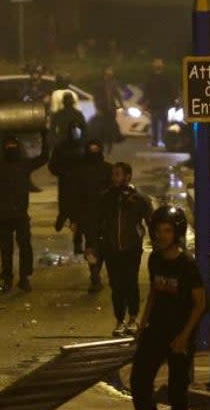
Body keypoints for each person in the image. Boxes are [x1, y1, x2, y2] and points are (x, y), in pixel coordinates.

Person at [128, 205, 206, 410]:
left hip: (180, 332)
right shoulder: (155, 259)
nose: (161, 236)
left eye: (167, 231)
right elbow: (153, 292)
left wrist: (184, 336)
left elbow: (200, 303)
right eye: (157, 230)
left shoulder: (187, 265)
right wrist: (142, 323)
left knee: (177, 387)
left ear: (177, 233)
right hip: (157, 329)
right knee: (139, 380)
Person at [0, 127, 49, 292]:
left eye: (12, 145)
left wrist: (44, 138)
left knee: (23, 247)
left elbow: (44, 157)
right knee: (7, 249)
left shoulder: (21, 164)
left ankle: (23, 278)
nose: (11, 148)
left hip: (20, 214)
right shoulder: (0, 164)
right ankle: (8, 278)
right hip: (4, 215)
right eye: (8, 145)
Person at [93, 162, 152, 335]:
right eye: (113, 174)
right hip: (111, 249)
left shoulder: (139, 199)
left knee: (130, 282)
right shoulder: (106, 198)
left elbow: (150, 221)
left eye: (118, 174)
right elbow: (97, 224)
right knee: (116, 285)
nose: (114, 178)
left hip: (131, 248)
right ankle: (120, 320)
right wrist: (94, 246)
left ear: (128, 176)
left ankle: (133, 318)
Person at [73, 138, 114, 292]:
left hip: (105, 216)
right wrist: (75, 218)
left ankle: (99, 275)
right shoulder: (81, 171)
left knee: (105, 247)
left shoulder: (108, 169)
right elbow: (76, 195)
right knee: (92, 247)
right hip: (89, 217)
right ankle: (95, 276)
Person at [48, 126, 86, 250]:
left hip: (78, 183)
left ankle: (77, 241)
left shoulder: (82, 146)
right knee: (67, 206)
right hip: (67, 182)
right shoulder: (61, 147)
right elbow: (53, 165)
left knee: (78, 214)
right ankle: (62, 217)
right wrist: (63, 173)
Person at [143, 57, 175, 149]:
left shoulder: (152, 78)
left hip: (157, 104)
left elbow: (147, 91)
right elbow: (171, 91)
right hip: (161, 104)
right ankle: (161, 141)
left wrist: (145, 102)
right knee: (160, 123)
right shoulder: (164, 78)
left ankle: (157, 141)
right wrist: (172, 102)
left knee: (157, 123)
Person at [93, 66, 123, 153]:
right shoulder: (99, 83)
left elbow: (117, 95)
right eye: (109, 70)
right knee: (103, 127)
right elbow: (96, 97)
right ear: (104, 72)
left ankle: (109, 145)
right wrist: (97, 108)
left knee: (110, 126)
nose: (111, 72)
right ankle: (102, 144)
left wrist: (122, 105)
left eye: (111, 71)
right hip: (103, 108)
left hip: (112, 108)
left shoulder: (113, 83)